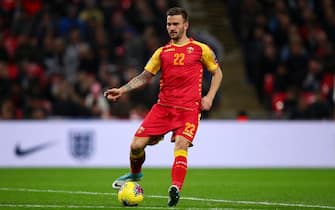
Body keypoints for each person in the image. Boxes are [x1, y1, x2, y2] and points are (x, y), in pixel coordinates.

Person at [104, 7, 223, 207]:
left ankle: (175, 188)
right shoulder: (162, 52)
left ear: (186, 25)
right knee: (136, 146)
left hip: (189, 109)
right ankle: (135, 175)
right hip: (164, 108)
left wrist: (209, 97)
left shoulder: (201, 49)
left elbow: (217, 73)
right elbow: (145, 76)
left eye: (176, 24)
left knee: (181, 145)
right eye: (169, 24)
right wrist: (122, 90)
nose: (172, 28)